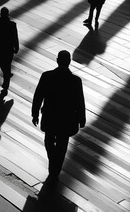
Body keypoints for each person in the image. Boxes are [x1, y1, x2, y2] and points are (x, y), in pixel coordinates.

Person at [31, 50, 86, 183]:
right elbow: (80, 101)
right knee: (62, 144)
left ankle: (52, 162)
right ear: (69, 62)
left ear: (57, 60)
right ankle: (55, 170)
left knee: (49, 141)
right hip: (67, 119)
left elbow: (38, 96)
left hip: (50, 116)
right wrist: (81, 118)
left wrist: (35, 113)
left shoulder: (47, 76)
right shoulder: (75, 80)